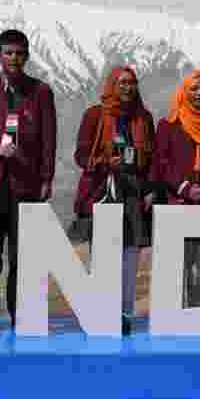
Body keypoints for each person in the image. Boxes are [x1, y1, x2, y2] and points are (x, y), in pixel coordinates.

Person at [0, 29, 57, 323]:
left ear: (27, 55)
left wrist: (46, 179)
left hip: (26, 184)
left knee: (23, 255)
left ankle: (22, 316)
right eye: (8, 53)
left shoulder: (40, 92)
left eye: (19, 53)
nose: (14, 58)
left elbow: (49, 141)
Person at [72, 66, 155, 334]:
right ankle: (101, 315)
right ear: (111, 85)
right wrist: (105, 162)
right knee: (104, 258)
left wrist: (150, 189)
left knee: (130, 258)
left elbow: (152, 160)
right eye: (122, 83)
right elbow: (81, 156)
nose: (127, 87)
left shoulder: (144, 118)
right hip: (104, 193)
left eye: (132, 82)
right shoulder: (95, 116)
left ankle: (125, 316)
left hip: (134, 196)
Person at [150, 69, 200, 308]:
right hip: (179, 202)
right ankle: (175, 316)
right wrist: (186, 188)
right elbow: (161, 163)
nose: (199, 93)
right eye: (193, 89)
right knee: (177, 263)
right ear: (184, 93)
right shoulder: (169, 125)